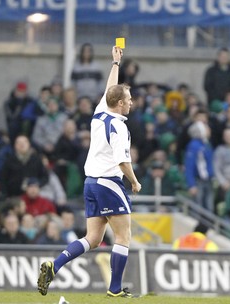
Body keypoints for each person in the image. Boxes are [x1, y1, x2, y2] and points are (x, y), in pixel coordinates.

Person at [37, 46, 142, 298]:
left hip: (91, 183)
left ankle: (55, 265)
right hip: (109, 182)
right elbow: (122, 162)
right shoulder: (118, 126)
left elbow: (109, 91)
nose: (131, 102)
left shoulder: (99, 114)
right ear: (119, 104)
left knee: (93, 239)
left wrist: (116, 64)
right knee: (123, 236)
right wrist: (135, 182)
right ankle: (115, 289)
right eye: (128, 99)